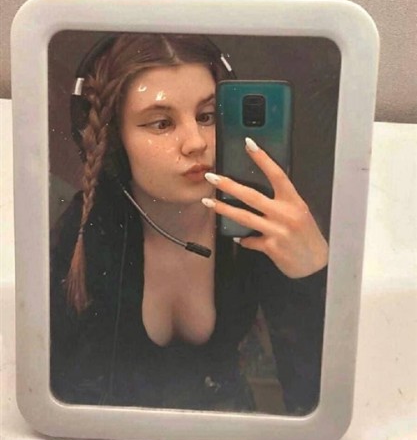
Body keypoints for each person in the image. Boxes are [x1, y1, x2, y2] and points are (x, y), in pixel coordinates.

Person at [50, 33, 328, 414]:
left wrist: (313, 277)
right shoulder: (88, 228)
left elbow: (312, 405)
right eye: (162, 123)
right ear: (114, 141)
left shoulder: (254, 218)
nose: (196, 143)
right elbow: (61, 396)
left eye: (207, 116)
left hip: (234, 432)